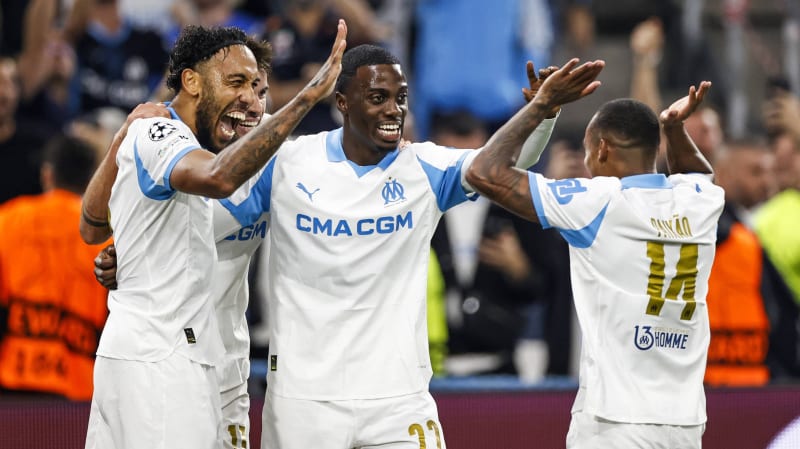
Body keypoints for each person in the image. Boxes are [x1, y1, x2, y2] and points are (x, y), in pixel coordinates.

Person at [211, 44, 562, 449]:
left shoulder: (426, 167)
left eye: (401, 98)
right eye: (378, 98)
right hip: (304, 400)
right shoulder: (288, 161)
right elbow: (213, 225)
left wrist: (542, 113)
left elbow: (503, 166)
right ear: (342, 102)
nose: (394, 110)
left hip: (399, 399)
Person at [78, 22, 347, 449]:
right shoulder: (161, 133)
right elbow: (94, 227)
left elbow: (96, 229)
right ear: (192, 81)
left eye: (259, 89)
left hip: (211, 361)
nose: (251, 100)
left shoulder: (263, 156)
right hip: (164, 356)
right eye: (237, 82)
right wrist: (120, 141)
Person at [466, 62, 723, 448]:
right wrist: (672, 127)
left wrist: (542, 106)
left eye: (588, 152)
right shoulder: (700, 203)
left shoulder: (597, 202)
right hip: (684, 423)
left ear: (602, 148)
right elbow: (698, 174)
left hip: (615, 423)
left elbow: (483, 173)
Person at [0, 134, 109, 400]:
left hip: (14, 377)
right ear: (90, 181)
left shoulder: (7, 218)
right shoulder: (106, 237)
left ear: (47, 174)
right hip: (80, 388)